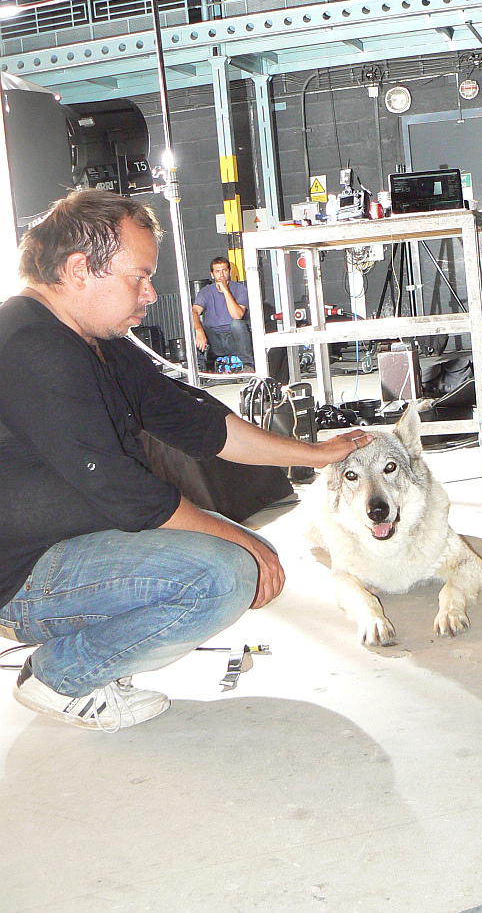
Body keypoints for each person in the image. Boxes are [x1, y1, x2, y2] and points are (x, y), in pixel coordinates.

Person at [0, 190, 371, 731]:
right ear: (79, 270)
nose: (150, 293)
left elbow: (200, 423)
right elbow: (123, 491)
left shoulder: (89, 338)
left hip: (71, 542)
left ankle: (88, 642)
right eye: (138, 277)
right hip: (24, 574)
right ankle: (63, 674)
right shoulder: (32, 347)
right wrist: (238, 540)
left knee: (237, 554)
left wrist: (314, 455)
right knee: (221, 575)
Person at [192, 256, 255, 370]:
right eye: (217, 271)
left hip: (235, 339)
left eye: (224, 270)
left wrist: (225, 290)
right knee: (195, 326)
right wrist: (198, 330)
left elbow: (237, 315)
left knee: (237, 324)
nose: (221, 274)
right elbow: (195, 311)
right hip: (215, 340)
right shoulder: (206, 291)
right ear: (212, 274)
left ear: (229, 272)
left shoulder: (240, 289)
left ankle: (248, 365)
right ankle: (200, 370)